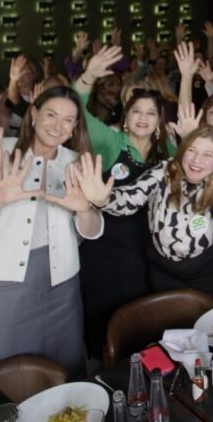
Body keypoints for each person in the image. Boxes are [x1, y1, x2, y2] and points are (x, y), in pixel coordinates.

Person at [0, 86, 109, 377]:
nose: (57, 126)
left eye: (68, 120)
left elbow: (93, 232)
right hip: (3, 283)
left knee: (65, 367)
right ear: (33, 114)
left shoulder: (75, 162)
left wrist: (86, 208)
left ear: (75, 127)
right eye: (50, 114)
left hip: (62, 283)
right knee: (5, 368)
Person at [96, 124, 213, 302]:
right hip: (162, 271)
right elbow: (131, 197)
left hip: (209, 271)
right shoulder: (165, 170)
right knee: (167, 325)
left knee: (210, 325)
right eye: (192, 151)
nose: (197, 160)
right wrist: (103, 199)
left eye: (207, 155)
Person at [74, 45, 172, 358]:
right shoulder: (112, 140)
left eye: (150, 113)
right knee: (104, 315)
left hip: (145, 246)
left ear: (159, 120)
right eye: (136, 111)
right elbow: (74, 108)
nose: (143, 118)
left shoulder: (166, 149)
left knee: (139, 316)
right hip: (105, 244)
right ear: (126, 117)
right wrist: (88, 75)